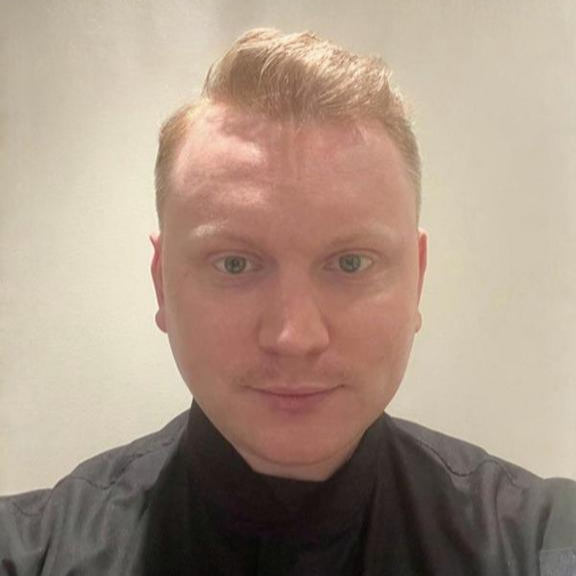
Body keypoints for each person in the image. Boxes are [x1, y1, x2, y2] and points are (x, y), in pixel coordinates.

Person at [1, 28, 575, 576]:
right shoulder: (29, 554)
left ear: (417, 279)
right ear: (161, 285)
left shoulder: (542, 542)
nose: (295, 337)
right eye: (234, 264)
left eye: (350, 263)